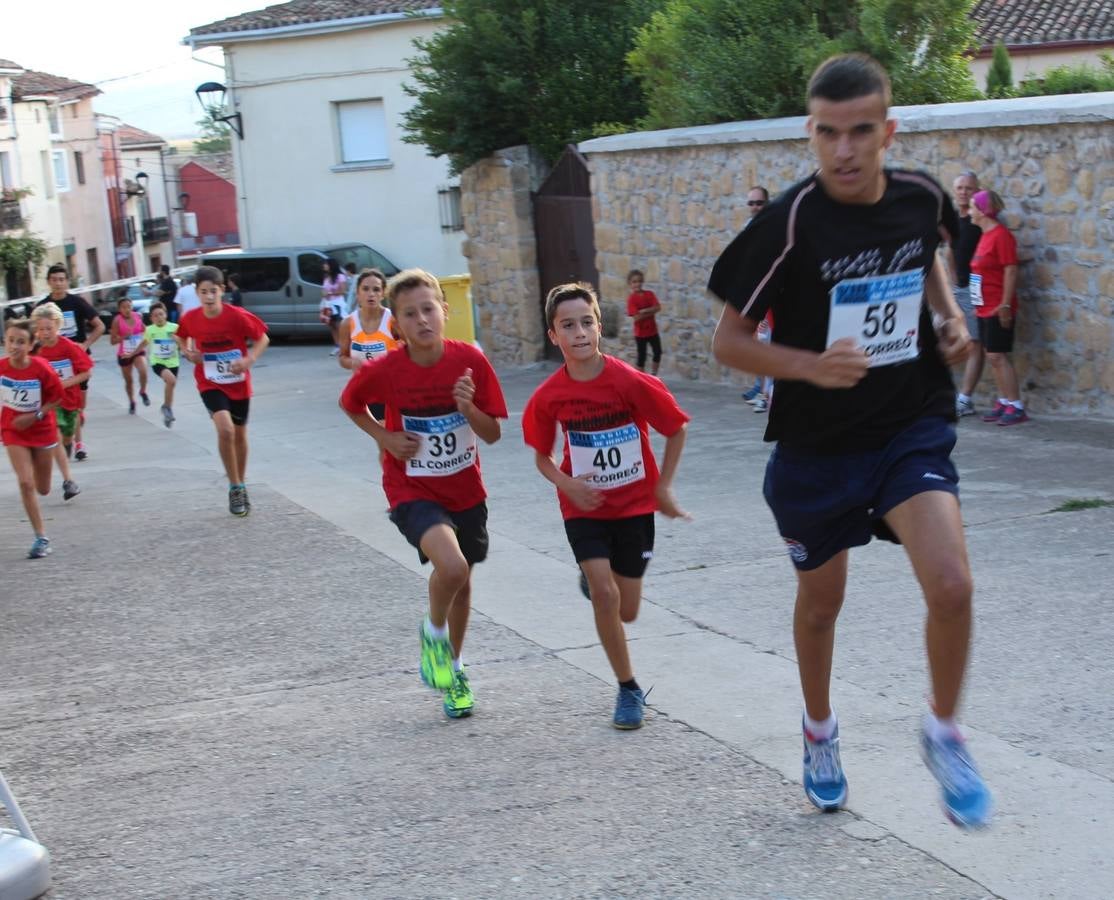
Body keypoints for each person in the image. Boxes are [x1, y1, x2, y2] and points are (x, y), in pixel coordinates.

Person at [708, 53, 991, 828]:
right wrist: (809, 366)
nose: (844, 150)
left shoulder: (921, 195)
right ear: (812, 133)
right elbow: (728, 341)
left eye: (861, 132)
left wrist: (948, 314)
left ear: (887, 130)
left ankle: (943, 730)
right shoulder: (788, 224)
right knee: (822, 606)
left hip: (907, 423)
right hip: (816, 447)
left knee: (954, 585)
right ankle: (820, 730)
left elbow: (926, 249)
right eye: (828, 134)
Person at [339, 269, 507, 720]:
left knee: (462, 579)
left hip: (465, 487)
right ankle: (434, 636)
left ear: (445, 311)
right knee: (450, 566)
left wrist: (468, 407)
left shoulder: (469, 362)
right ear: (397, 324)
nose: (422, 320)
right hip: (410, 485)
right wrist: (384, 437)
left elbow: (492, 434)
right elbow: (350, 403)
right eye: (410, 314)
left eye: (429, 309)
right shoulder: (386, 370)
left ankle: (453, 669)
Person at [523, 282, 690, 730]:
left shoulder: (628, 381)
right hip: (584, 505)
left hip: (634, 505)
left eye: (586, 322)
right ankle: (628, 688)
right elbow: (541, 455)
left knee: (628, 609)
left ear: (599, 327)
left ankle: (600, 583)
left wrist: (664, 489)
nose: (579, 332)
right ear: (553, 335)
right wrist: (566, 483)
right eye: (567, 325)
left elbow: (676, 428)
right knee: (605, 593)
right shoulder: (549, 396)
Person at [175, 265, 270, 516]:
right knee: (225, 429)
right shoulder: (190, 318)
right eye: (203, 292)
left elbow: (263, 338)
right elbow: (180, 336)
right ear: (196, 292)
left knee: (239, 434)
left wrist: (249, 360)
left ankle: (241, 481)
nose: (208, 297)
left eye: (213, 291)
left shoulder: (236, 316)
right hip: (209, 382)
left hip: (238, 382)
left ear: (222, 291)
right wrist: (187, 353)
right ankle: (235, 486)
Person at [1, 318, 65, 558]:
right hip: (13, 429)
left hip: (41, 430)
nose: (14, 346)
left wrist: (35, 415)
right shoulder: (2, 367)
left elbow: (57, 398)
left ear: (30, 345)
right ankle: (41, 537)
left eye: (20, 342)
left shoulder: (41, 368)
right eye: (10, 341)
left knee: (43, 488)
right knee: (25, 483)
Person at [35, 263, 103, 461]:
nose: (58, 283)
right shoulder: (43, 306)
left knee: (78, 406)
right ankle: (69, 443)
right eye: (54, 279)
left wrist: (85, 344)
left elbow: (98, 326)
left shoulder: (77, 303)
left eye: (61, 279)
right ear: (49, 282)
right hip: (50, 359)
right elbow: (34, 331)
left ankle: (77, 441)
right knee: (56, 405)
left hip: (75, 361)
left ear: (67, 282)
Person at [970, 189, 1025, 426]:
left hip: (997, 307)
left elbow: (1010, 269)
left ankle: (1016, 405)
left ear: (982, 211)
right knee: (991, 356)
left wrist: (1004, 303)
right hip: (984, 306)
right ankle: (1003, 401)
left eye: (973, 206)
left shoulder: (1001, 236)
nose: (969, 211)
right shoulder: (985, 235)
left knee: (997, 355)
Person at [31, 302, 92, 500]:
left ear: (58, 326)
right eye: (40, 329)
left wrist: (64, 384)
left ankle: (68, 447)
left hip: (70, 400)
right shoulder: (36, 351)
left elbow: (86, 372)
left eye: (49, 328)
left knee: (66, 437)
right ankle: (69, 482)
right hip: (50, 403)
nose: (45, 333)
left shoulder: (69, 347)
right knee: (55, 436)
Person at [946, 172, 985, 417]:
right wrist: (951, 284)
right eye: (960, 188)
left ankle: (965, 399)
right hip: (956, 289)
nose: (963, 192)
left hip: (975, 289)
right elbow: (949, 252)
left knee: (975, 343)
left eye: (968, 188)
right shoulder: (952, 219)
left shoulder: (979, 221)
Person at [338, 268, 400, 419]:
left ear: (383, 293)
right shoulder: (348, 324)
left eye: (376, 289)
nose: (371, 294)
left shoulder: (393, 321)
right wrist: (352, 363)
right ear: (358, 294)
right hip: (365, 388)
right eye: (365, 289)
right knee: (381, 435)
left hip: (391, 389)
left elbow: (409, 349)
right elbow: (342, 357)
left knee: (390, 432)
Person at [741, 187, 773, 406]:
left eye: (759, 203)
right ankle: (761, 389)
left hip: (769, 300)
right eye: (751, 203)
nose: (755, 207)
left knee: (767, 347)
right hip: (753, 298)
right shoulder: (748, 229)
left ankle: (765, 393)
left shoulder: (774, 228)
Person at [110, 294, 150, 414]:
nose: (127, 309)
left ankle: (143, 391)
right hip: (124, 353)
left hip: (137, 351)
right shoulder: (117, 320)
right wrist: (123, 337)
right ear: (119, 309)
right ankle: (132, 401)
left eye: (129, 306)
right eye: (124, 307)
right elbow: (112, 341)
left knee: (143, 370)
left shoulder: (137, 316)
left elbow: (145, 330)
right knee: (129, 381)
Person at [143, 301, 180, 427]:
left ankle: (166, 407)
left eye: (161, 314)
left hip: (173, 362)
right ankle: (167, 408)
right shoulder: (149, 330)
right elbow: (144, 343)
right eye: (155, 315)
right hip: (157, 362)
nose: (159, 317)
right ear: (151, 318)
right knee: (171, 380)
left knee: (171, 383)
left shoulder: (174, 327)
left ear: (166, 315)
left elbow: (184, 342)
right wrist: (131, 354)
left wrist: (178, 341)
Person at [625, 270, 662, 375]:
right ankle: (640, 379)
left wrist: (644, 311)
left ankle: (654, 375)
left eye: (639, 281)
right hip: (640, 334)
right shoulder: (631, 299)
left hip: (653, 331)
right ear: (630, 284)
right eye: (634, 282)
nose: (637, 284)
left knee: (658, 352)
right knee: (642, 357)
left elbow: (658, 307)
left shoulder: (650, 294)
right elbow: (636, 318)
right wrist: (651, 310)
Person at [320, 258, 349, 355]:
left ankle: (344, 345)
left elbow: (343, 291)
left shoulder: (340, 276)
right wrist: (324, 293)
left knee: (339, 325)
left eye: (326, 264)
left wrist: (330, 293)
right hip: (328, 304)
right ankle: (337, 345)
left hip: (337, 304)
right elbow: (323, 290)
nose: (324, 266)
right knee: (331, 325)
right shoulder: (326, 277)